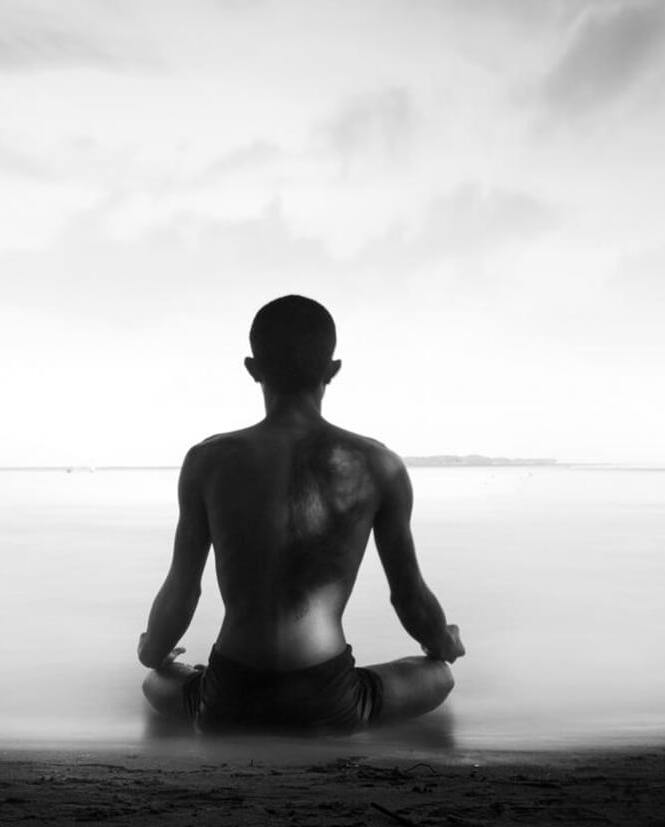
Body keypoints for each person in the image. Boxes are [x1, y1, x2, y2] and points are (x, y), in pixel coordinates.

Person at [139, 294, 465, 735]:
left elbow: (183, 589)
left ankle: (198, 689)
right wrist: (444, 642)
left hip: (228, 697)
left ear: (253, 369)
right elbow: (408, 598)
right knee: (438, 675)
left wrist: (152, 651)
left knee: (156, 680)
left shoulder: (207, 460)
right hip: (328, 698)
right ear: (333, 370)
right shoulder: (379, 465)